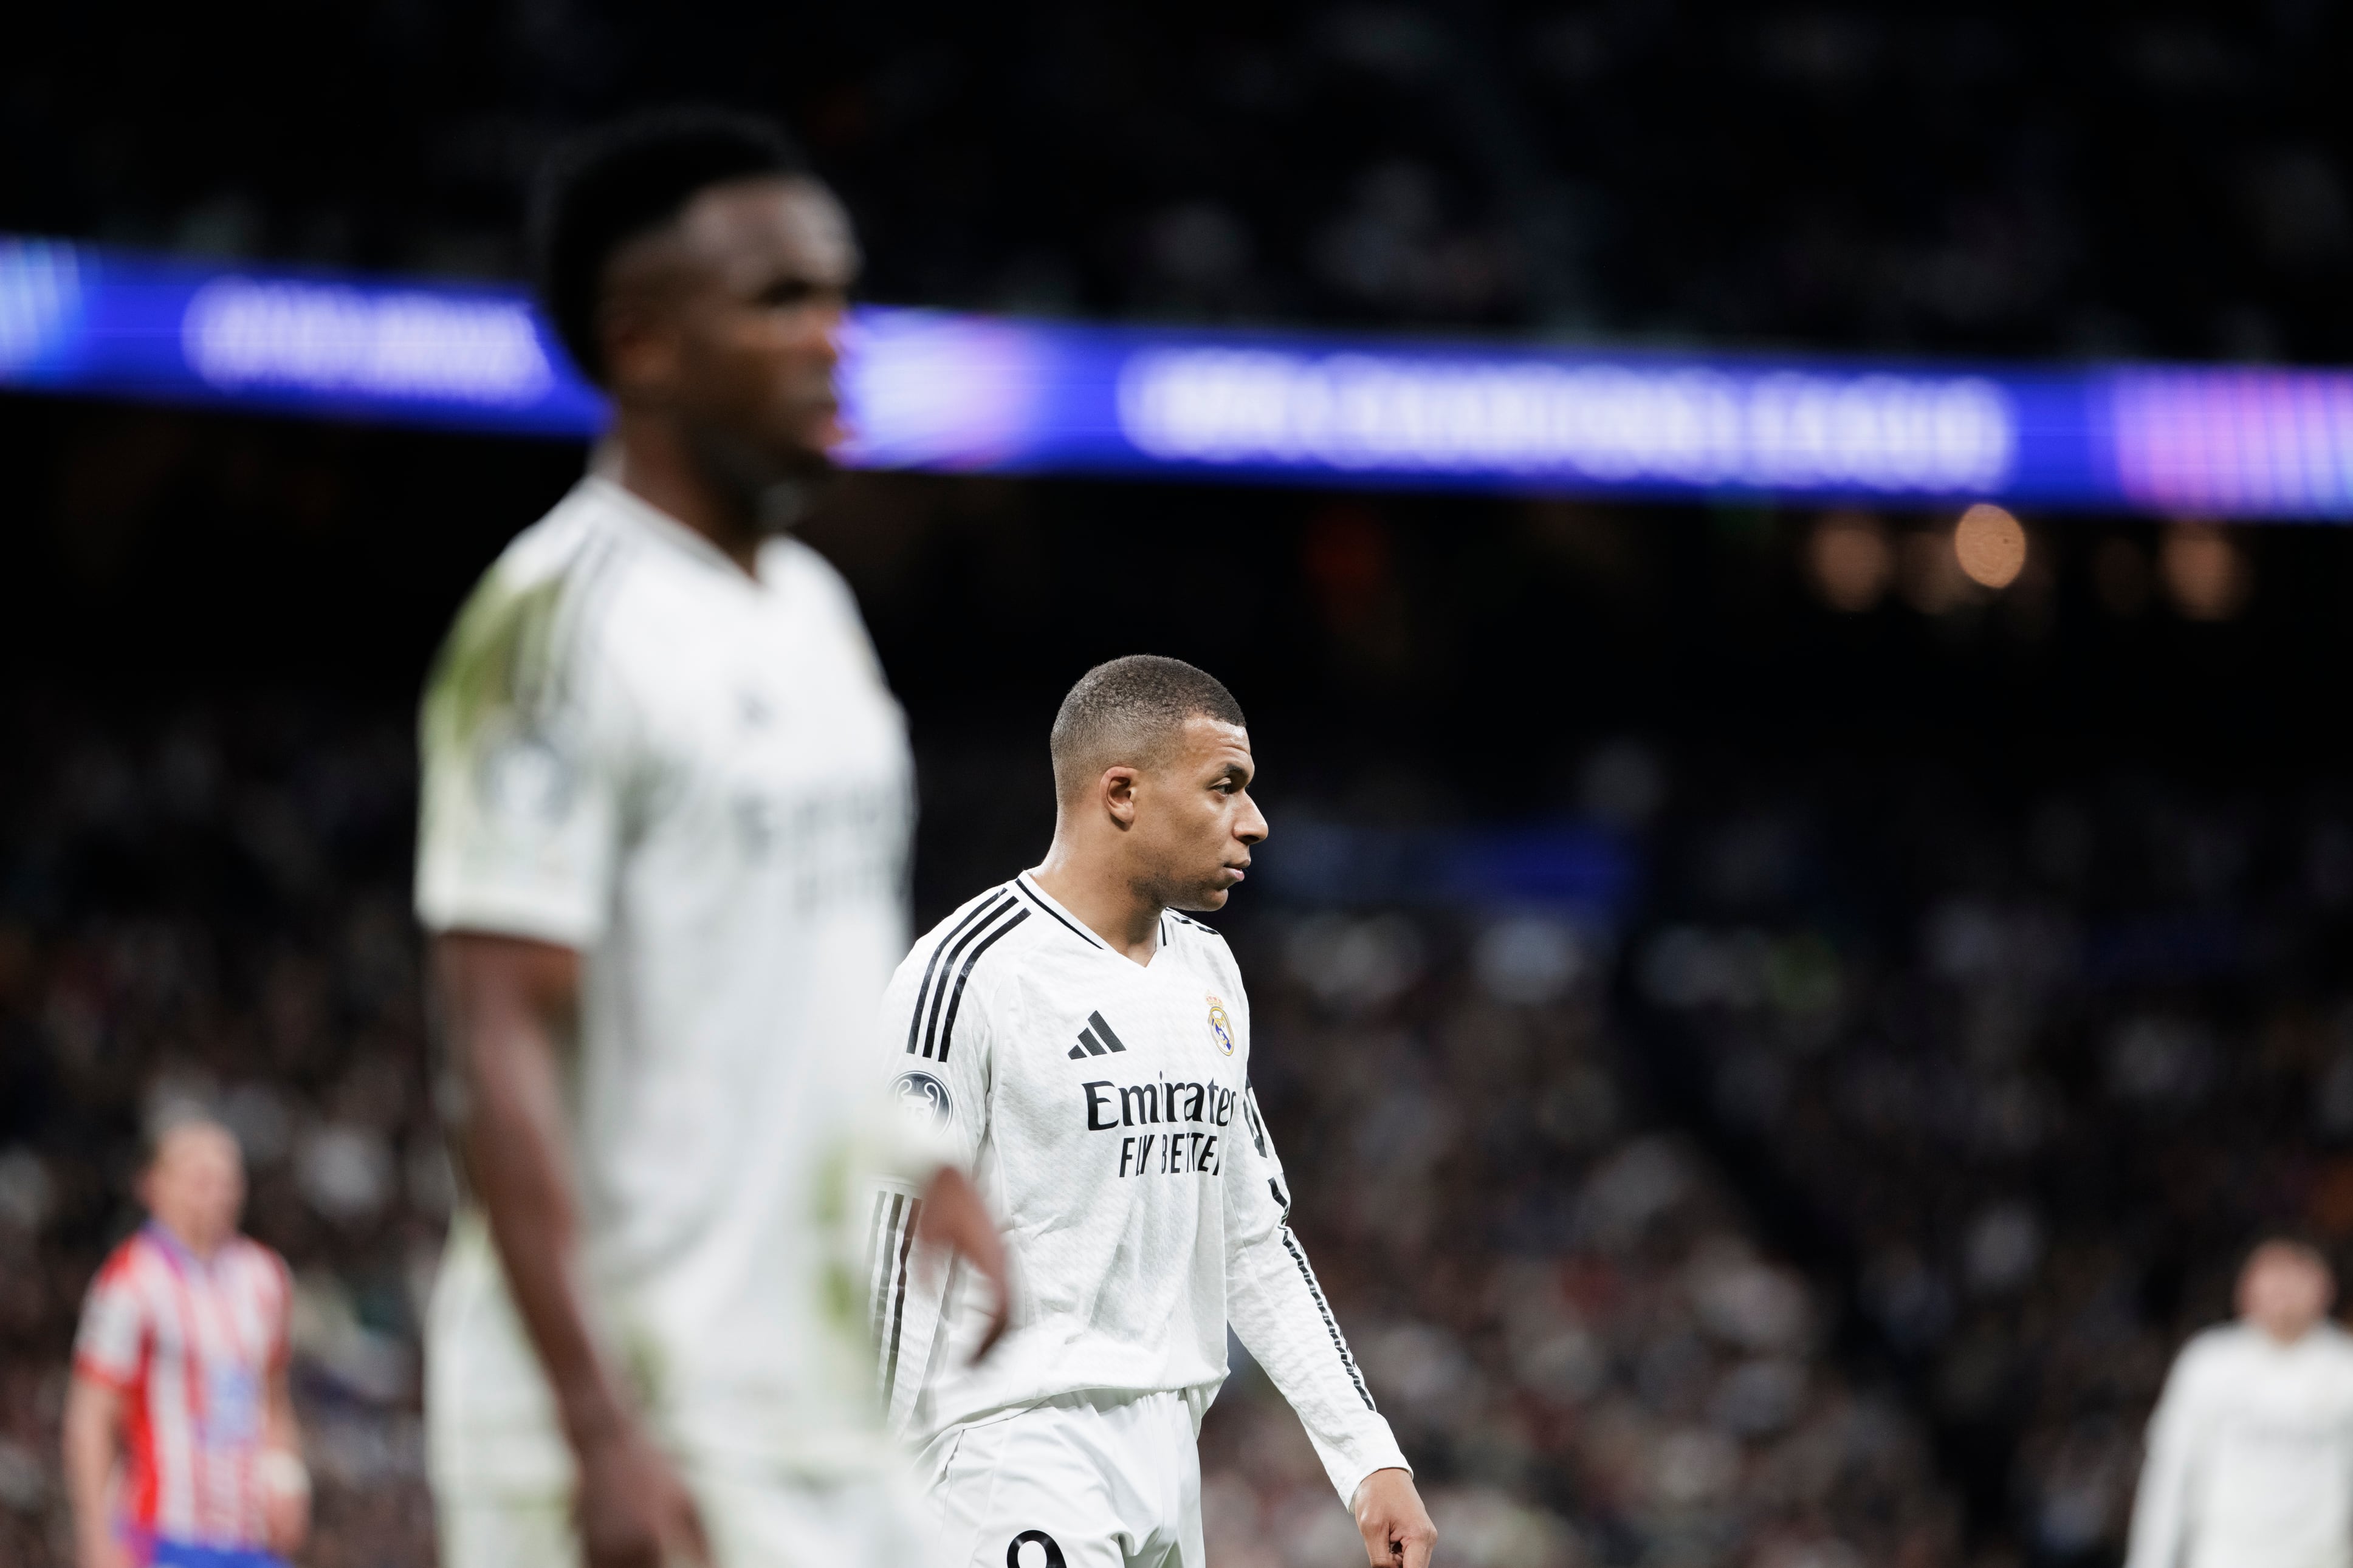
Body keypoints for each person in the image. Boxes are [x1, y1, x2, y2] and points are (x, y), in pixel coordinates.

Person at [415, 108, 1008, 1568]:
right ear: (643, 344)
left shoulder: (812, 610)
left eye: (839, 292)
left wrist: (925, 1158)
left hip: (805, 1390)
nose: (833, 335)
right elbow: (494, 1040)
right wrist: (598, 1432)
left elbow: (828, 948)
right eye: (779, 298)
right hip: (637, 1409)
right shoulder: (553, 625)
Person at [869, 654, 1437, 1568]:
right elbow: (893, 1242)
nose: (1254, 822)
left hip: (1170, 1460)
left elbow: (1253, 1239)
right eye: (1226, 787)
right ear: (1122, 792)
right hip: (1012, 1455)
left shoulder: (1208, 973)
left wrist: (1368, 1456)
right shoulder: (969, 972)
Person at [62, 1117, 306, 1568]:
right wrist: (96, 1535)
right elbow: (90, 1415)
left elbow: (272, 1396)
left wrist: (287, 1476)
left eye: (228, 1180)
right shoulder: (130, 1282)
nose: (217, 1193)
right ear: (155, 1186)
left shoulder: (265, 1276)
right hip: (162, 1532)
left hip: (246, 1536)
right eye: (200, 1179)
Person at [2125, 1235, 2353, 1568]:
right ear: (2245, 1287)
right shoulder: (2208, 1362)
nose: (2284, 1290)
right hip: (2223, 1557)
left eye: (2298, 1275)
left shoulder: (2344, 1367)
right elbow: (2170, 1472)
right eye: (2273, 1275)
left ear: (2325, 1287)